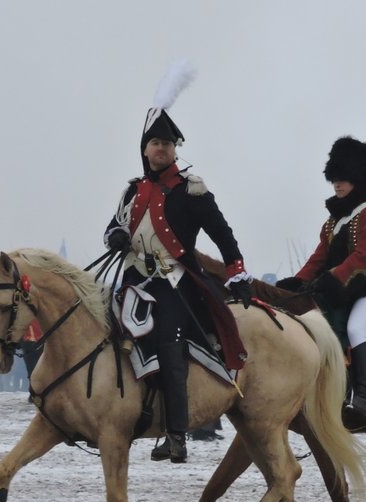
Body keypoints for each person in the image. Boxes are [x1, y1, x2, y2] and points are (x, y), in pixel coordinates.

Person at [103, 62, 253, 463]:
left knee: (167, 343)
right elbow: (112, 230)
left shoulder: (193, 189)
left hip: (175, 284)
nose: (161, 150)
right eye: (155, 144)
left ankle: (176, 435)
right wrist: (116, 236)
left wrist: (237, 271)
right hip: (134, 280)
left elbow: (223, 235)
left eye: (167, 145)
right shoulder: (132, 192)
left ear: (174, 151)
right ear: (145, 149)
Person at [276, 91, 366, 420]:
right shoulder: (333, 221)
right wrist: (298, 281)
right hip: (336, 289)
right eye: (335, 179)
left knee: (355, 329)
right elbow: (319, 256)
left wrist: (329, 281)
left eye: (344, 179)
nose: (337, 184)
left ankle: (362, 398)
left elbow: (364, 258)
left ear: (358, 180)